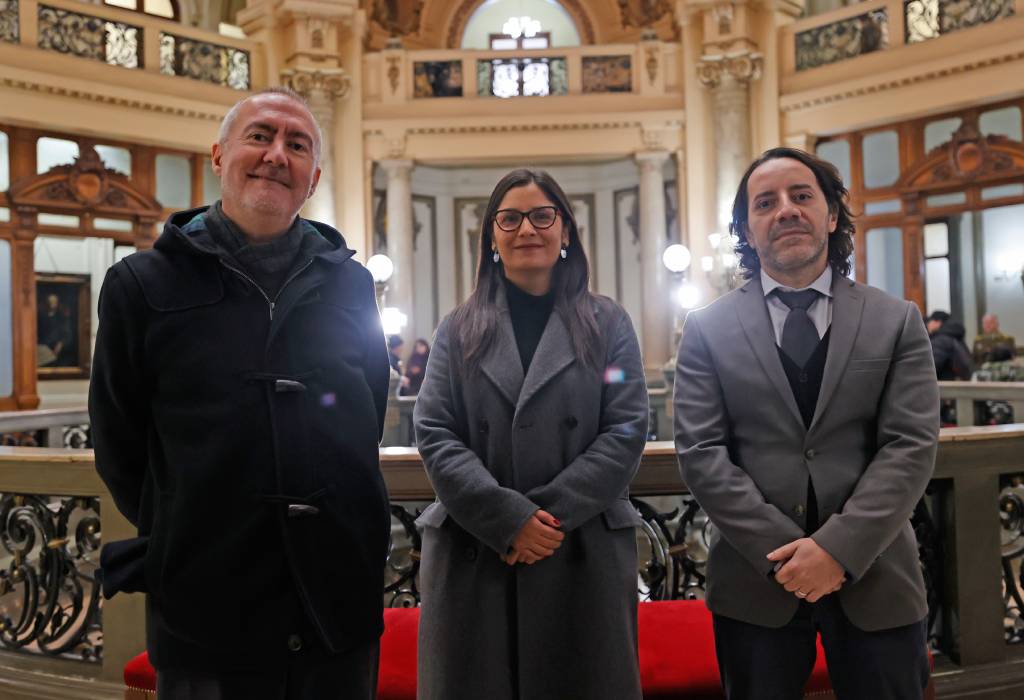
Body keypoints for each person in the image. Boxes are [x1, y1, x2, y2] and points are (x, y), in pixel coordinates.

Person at [90, 87, 391, 700]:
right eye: (260, 136)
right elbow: (119, 441)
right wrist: (187, 525)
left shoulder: (353, 286)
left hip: (335, 597)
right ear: (219, 157)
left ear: (312, 179)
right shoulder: (139, 285)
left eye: (297, 144)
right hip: (206, 602)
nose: (277, 154)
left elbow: (368, 412)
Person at [674, 147, 939, 699]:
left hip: (877, 572)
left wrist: (837, 551)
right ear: (747, 229)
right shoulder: (706, 330)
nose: (786, 210)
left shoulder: (896, 319)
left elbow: (910, 445)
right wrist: (787, 557)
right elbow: (702, 453)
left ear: (832, 214)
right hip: (755, 582)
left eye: (802, 196)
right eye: (765, 203)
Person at [413, 168, 649, 700]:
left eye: (544, 216)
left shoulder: (608, 323)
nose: (528, 229)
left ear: (565, 230)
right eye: (510, 218)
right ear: (492, 237)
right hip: (479, 545)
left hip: (578, 545)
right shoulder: (458, 327)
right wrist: (507, 518)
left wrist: (544, 520)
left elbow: (627, 427)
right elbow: (434, 429)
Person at [926, 310, 973, 380]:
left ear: (938, 322)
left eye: (930, 321)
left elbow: (930, 367)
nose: (927, 324)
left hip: (946, 387)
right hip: (958, 385)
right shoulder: (954, 338)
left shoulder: (941, 341)